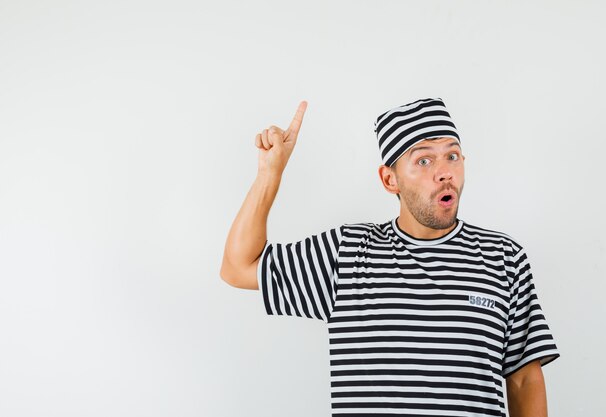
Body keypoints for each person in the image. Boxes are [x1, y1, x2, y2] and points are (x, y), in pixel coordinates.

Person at [220, 97, 560, 417]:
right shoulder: (347, 252)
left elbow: (524, 378)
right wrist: (270, 173)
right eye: (424, 160)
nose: (444, 172)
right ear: (389, 179)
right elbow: (238, 267)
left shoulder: (503, 257)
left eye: (452, 156)